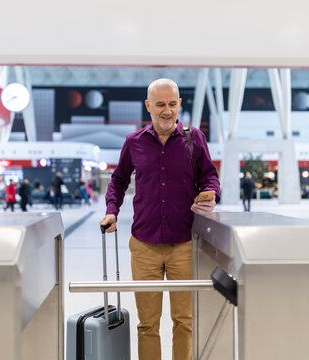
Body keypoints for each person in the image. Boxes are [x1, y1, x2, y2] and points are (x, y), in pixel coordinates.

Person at [100, 78, 220, 360]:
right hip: (144, 245)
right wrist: (111, 210)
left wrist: (211, 192)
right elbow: (118, 181)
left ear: (179, 104)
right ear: (148, 106)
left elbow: (209, 176)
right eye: (160, 105)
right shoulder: (134, 142)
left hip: (184, 243)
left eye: (172, 104)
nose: (167, 111)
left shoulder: (194, 139)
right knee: (148, 324)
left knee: (185, 321)